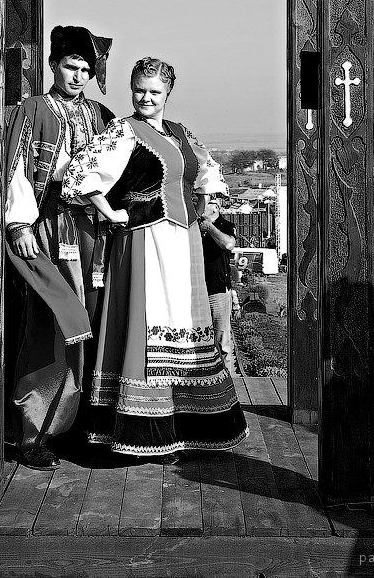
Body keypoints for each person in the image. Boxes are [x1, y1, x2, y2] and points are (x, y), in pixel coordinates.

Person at [62, 57, 248, 461]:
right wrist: (111, 212)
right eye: (139, 90)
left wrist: (205, 204)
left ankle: (187, 424)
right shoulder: (123, 131)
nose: (145, 98)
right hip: (145, 241)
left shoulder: (181, 132)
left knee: (185, 325)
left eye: (154, 92)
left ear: (168, 93)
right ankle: (148, 429)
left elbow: (207, 171)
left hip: (185, 242)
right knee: (149, 328)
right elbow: (81, 174)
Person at [5, 25, 114, 469]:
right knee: (51, 324)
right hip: (48, 226)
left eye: (86, 70)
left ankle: (76, 425)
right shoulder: (32, 109)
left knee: (94, 322)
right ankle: (32, 432)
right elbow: (15, 168)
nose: (79, 76)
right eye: (71, 67)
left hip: (93, 232)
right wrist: (19, 223)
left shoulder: (102, 115)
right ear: (54, 65)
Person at [198, 200, 238, 375]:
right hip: (197, 289)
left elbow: (228, 244)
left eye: (205, 201)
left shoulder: (226, 225)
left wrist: (209, 227)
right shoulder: (194, 225)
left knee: (221, 339)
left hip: (217, 289)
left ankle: (225, 378)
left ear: (215, 207)